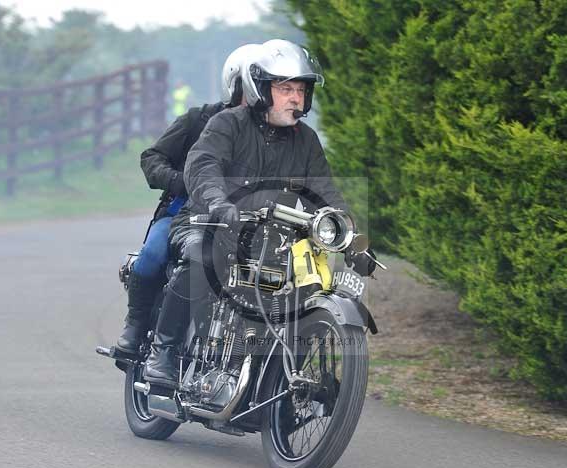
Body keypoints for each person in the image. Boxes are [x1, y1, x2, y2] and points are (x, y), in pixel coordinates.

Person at [144, 39, 376, 387]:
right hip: (208, 223)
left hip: (271, 239)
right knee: (201, 257)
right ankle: (163, 352)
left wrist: (350, 240)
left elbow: (324, 193)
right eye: (285, 89)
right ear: (262, 90)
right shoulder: (228, 124)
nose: (295, 98)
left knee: (303, 287)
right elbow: (203, 165)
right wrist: (218, 202)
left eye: (300, 89)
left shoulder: (306, 141)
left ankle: (273, 382)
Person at [113, 43, 262, 362]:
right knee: (152, 255)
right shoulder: (197, 120)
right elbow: (151, 158)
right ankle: (136, 327)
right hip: (183, 214)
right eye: (257, 88)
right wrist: (181, 181)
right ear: (235, 87)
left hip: (243, 224)